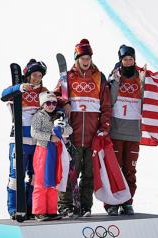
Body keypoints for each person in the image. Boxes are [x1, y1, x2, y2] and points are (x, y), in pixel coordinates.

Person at [56, 39, 112, 218]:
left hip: (92, 135)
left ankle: (85, 206)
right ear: (77, 58)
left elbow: (106, 105)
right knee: (70, 171)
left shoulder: (99, 76)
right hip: (73, 133)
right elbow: (56, 96)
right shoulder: (68, 77)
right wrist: (63, 103)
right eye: (82, 57)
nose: (86, 60)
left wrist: (103, 128)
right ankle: (66, 205)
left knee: (89, 174)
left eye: (88, 57)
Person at [1, 59, 48, 219]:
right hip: (19, 141)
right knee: (16, 177)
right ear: (28, 75)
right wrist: (19, 88)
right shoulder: (19, 90)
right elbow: (3, 95)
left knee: (35, 177)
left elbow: (54, 104)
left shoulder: (44, 91)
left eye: (40, 75)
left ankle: (29, 207)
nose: (37, 78)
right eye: (34, 74)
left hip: (37, 142)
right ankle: (14, 209)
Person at [105, 44, 145, 216]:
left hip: (134, 133)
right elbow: (110, 100)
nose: (128, 62)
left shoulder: (141, 76)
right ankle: (112, 203)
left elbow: (146, 101)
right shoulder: (114, 76)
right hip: (116, 131)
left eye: (131, 59)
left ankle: (127, 202)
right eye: (125, 59)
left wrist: (144, 81)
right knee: (115, 169)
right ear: (120, 60)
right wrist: (116, 81)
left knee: (130, 171)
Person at [30, 91, 72, 221]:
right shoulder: (39, 116)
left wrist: (63, 129)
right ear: (42, 104)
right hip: (43, 150)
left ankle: (51, 210)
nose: (51, 105)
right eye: (48, 103)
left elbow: (70, 129)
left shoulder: (58, 115)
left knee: (54, 180)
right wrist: (50, 137)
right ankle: (39, 211)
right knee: (41, 181)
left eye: (53, 103)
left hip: (56, 150)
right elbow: (34, 132)